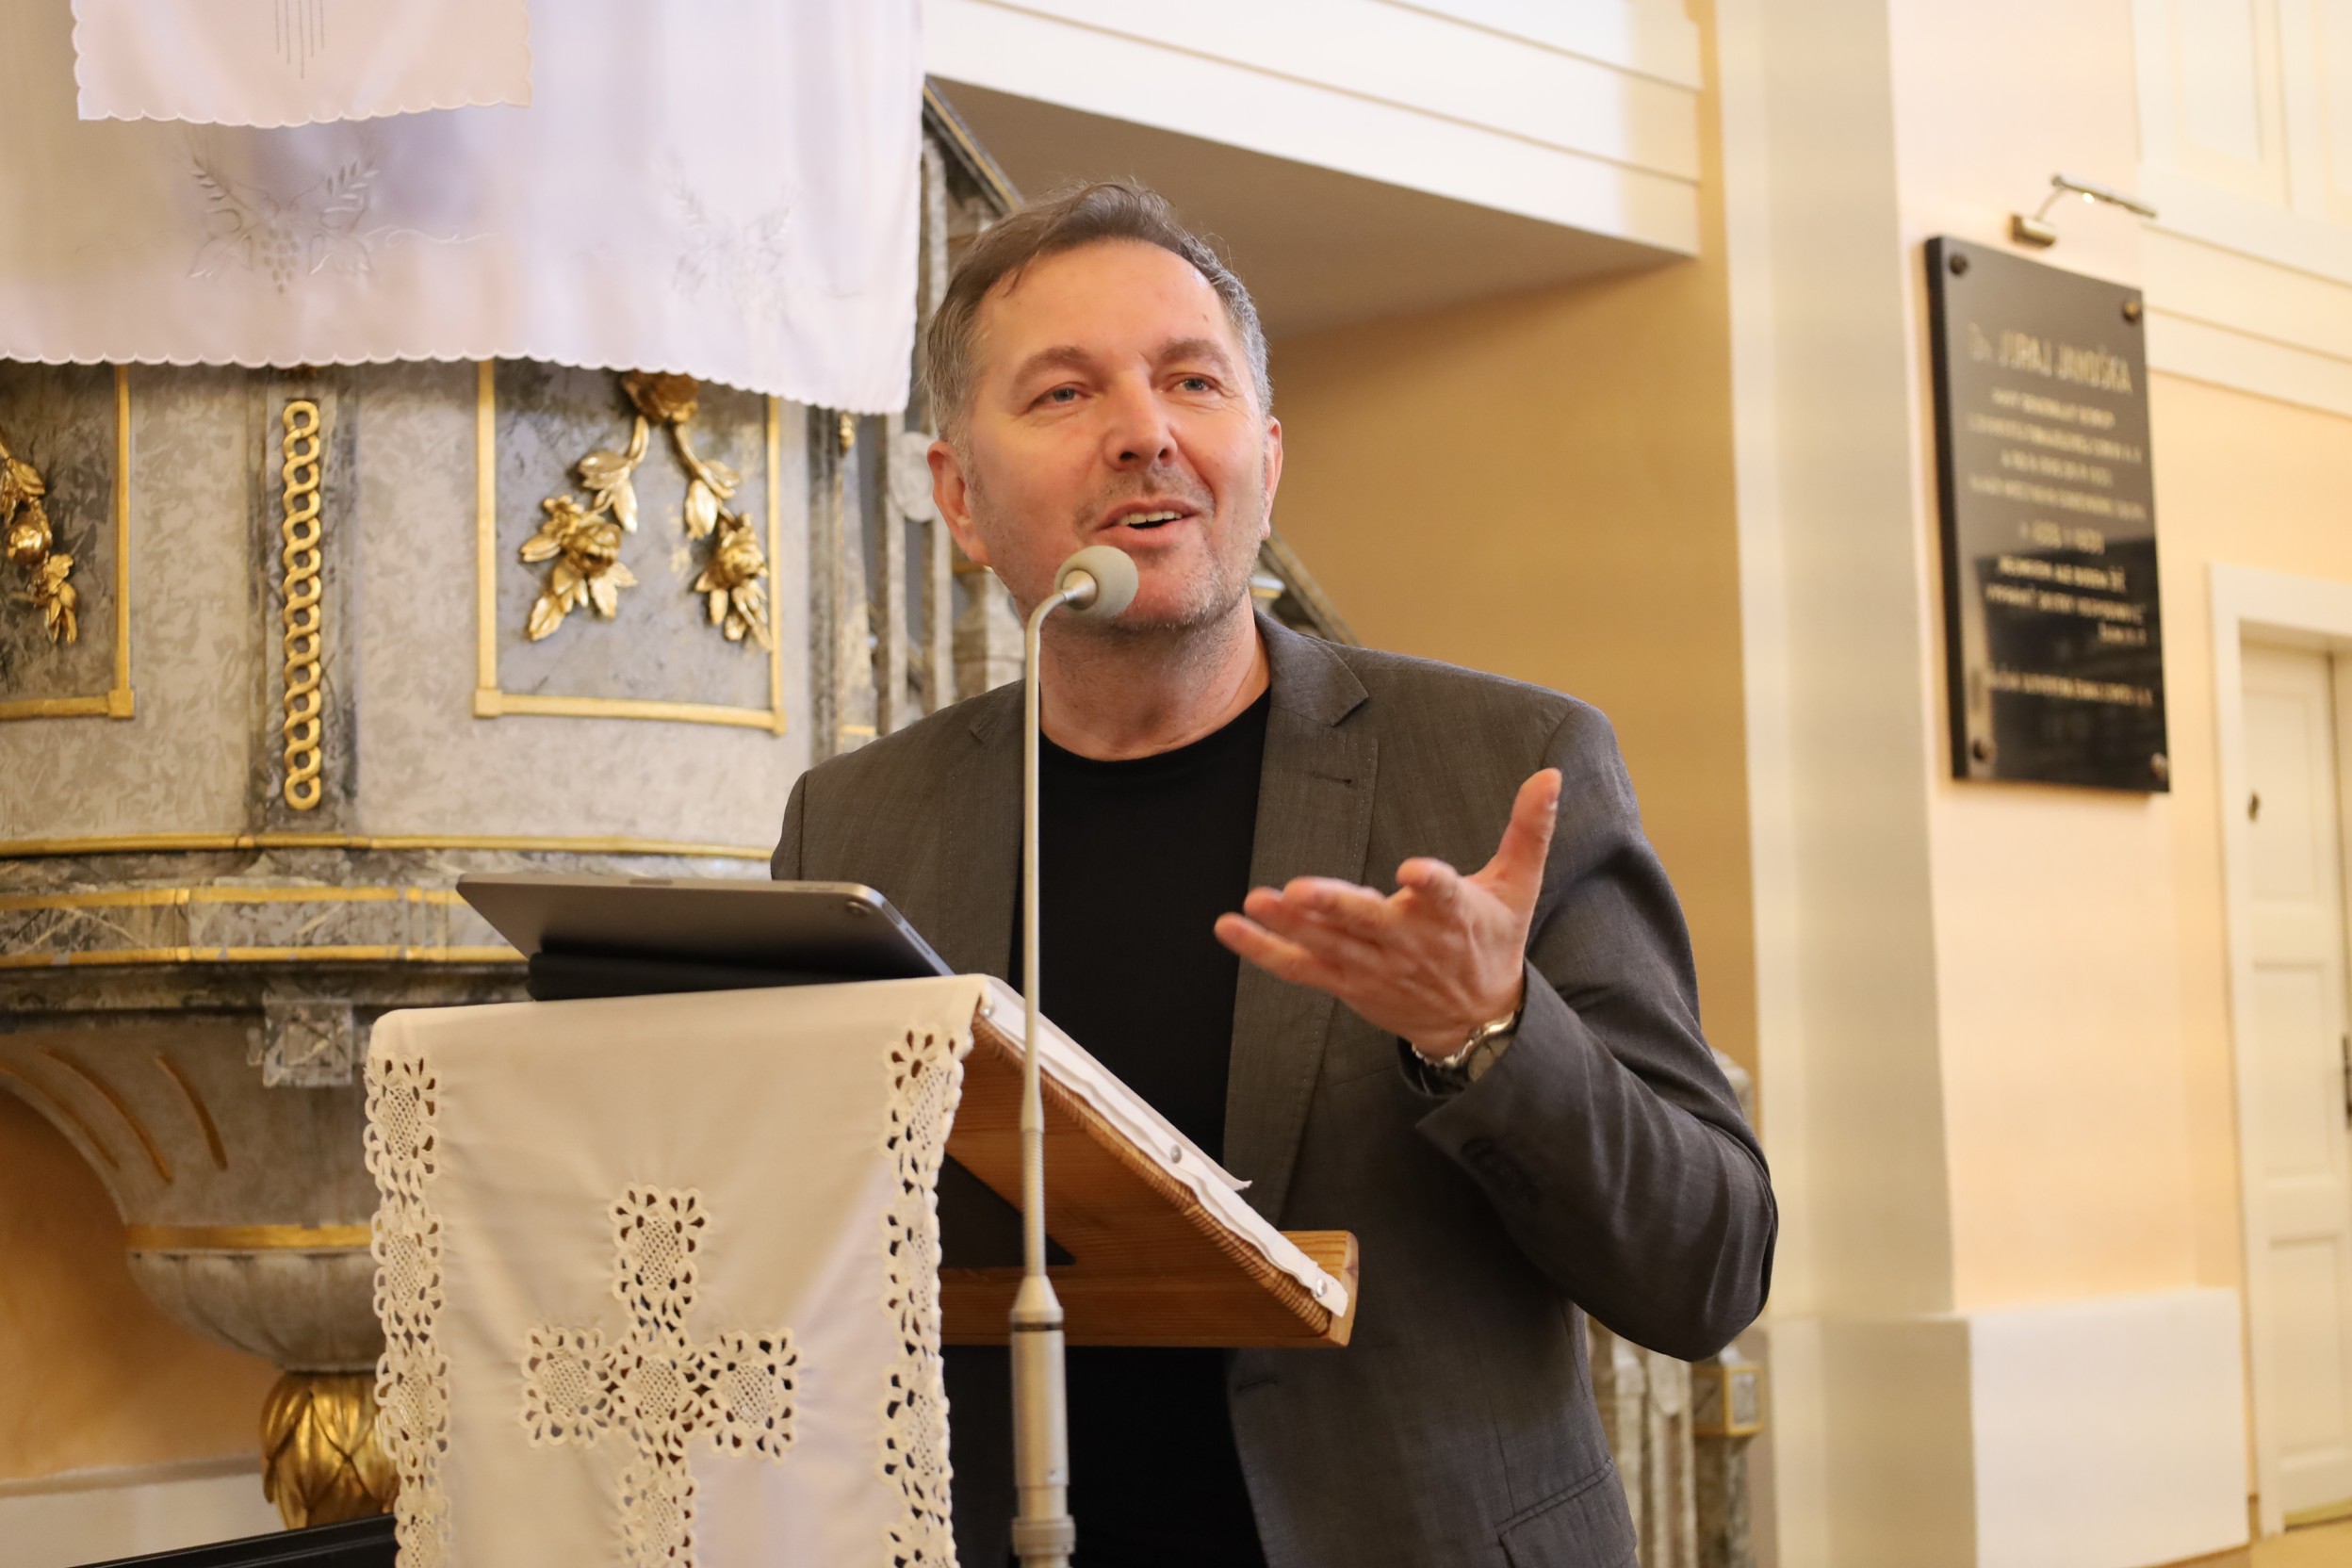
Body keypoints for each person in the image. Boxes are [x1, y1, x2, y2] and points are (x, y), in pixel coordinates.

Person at [771, 182, 1775, 1567]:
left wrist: (1489, 1034)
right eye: (1064, 393)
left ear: (1267, 454)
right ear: (958, 495)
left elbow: (1708, 1271)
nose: (1147, 432)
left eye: (1194, 381)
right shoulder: (857, 824)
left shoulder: (1506, 767)